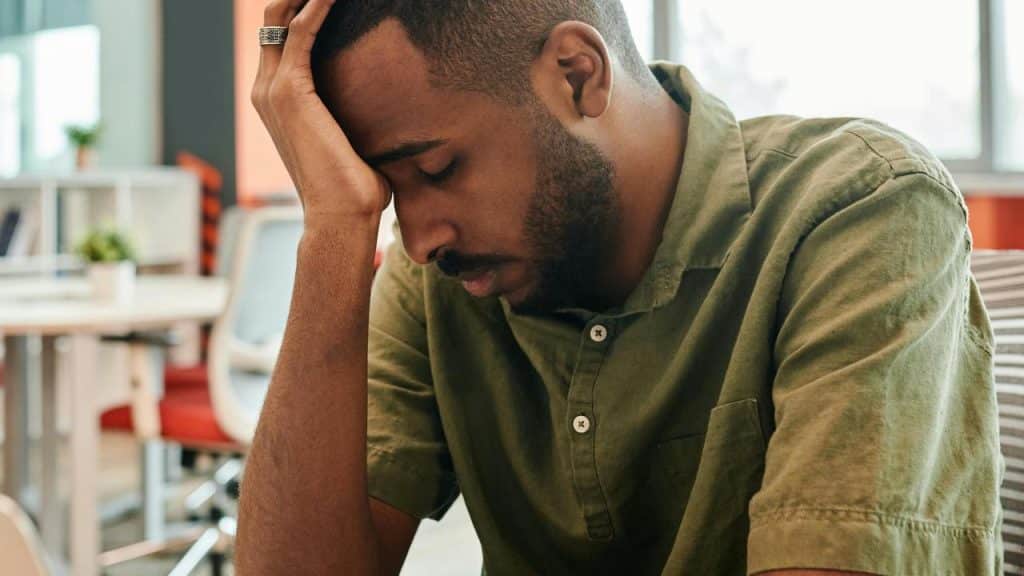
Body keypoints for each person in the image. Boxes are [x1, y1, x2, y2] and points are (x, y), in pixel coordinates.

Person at [236, 0, 1004, 574]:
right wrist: (333, 229)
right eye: (387, 190)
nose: (419, 233)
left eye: (436, 170)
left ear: (577, 74)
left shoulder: (857, 209)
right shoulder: (438, 273)